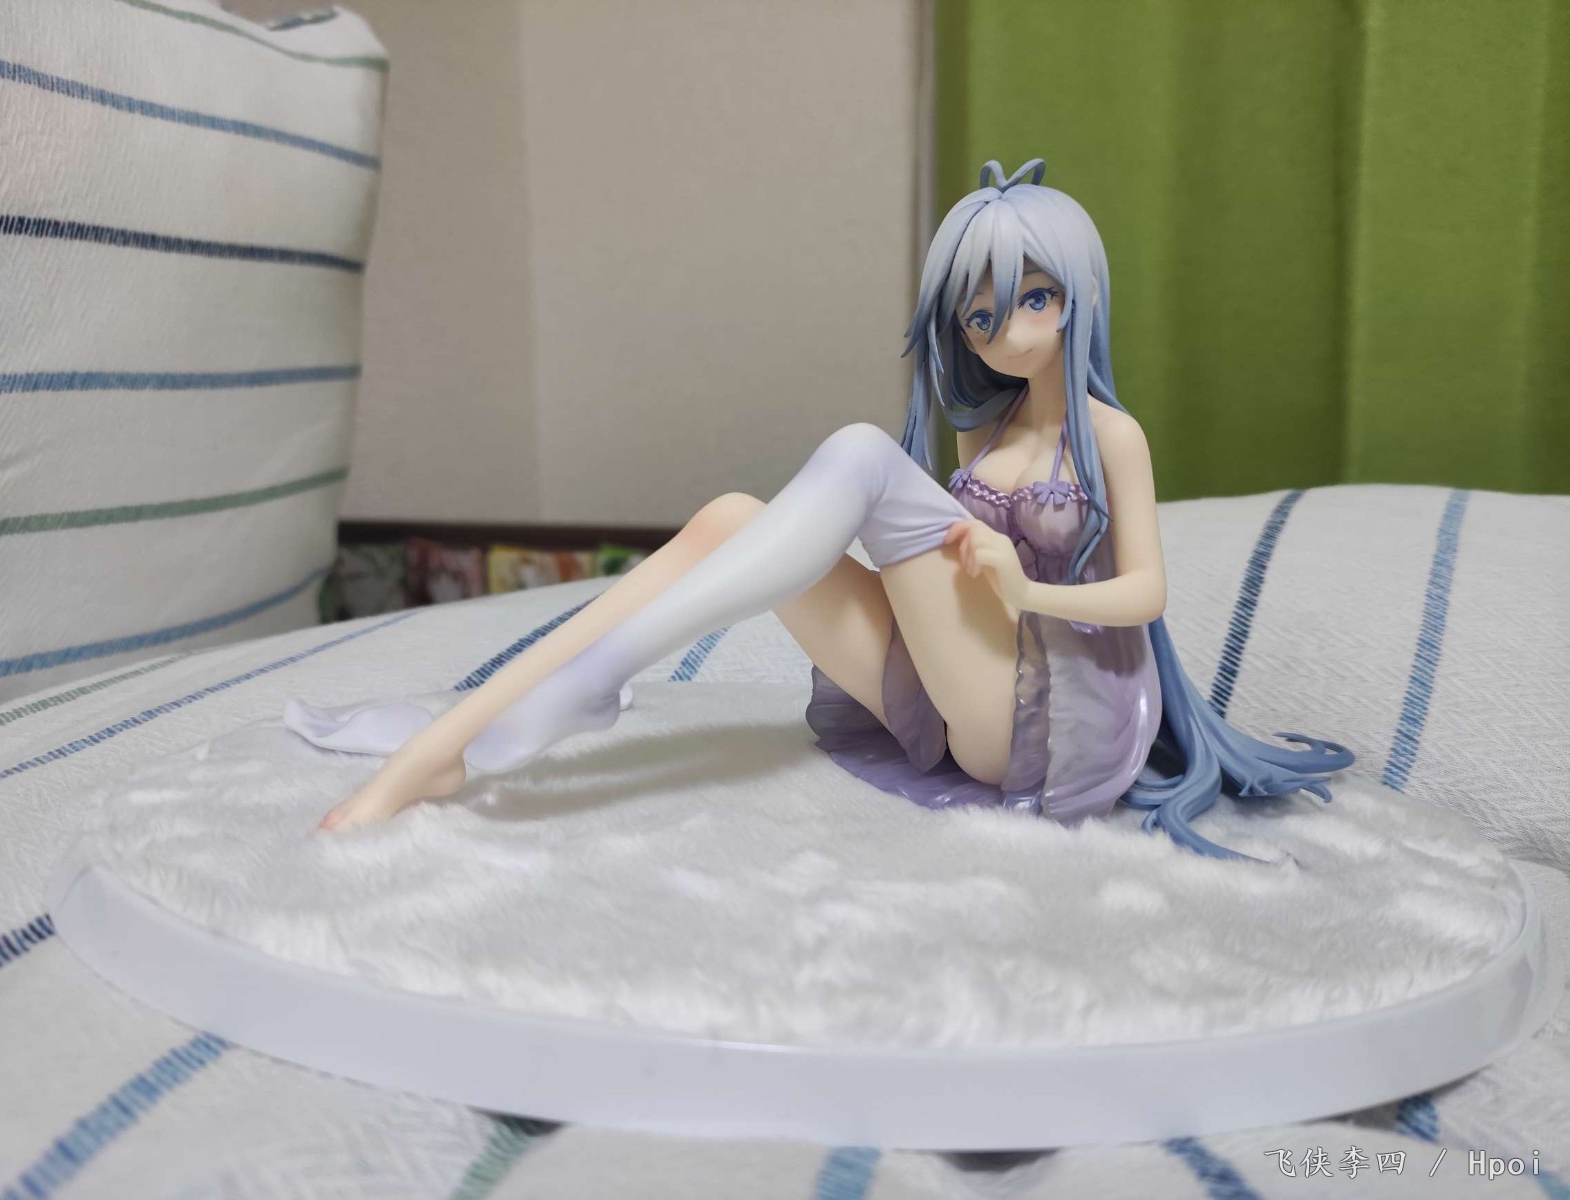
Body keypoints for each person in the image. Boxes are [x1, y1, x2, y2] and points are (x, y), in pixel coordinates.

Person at [287, 158, 1351, 861]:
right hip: (948, 686)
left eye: (1034, 299)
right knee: (726, 517)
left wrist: (1025, 589)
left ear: (1079, 297)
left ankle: (581, 690)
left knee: (860, 454)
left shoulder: (1110, 437)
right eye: (980, 316)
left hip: (1037, 717)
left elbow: (1147, 593)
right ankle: (465, 734)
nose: (1005, 333)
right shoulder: (983, 436)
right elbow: (936, 585)